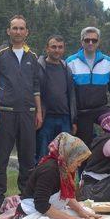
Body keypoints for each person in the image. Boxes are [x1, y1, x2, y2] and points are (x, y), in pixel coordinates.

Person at [0, 15, 42, 209]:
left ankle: (26, 197)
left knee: (28, 158)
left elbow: (36, 85)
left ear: (27, 32)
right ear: (8, 31)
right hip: (5, 112)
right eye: (14, 28)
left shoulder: (32, 56)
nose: (18, 32)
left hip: (28, 112)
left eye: (21, 28)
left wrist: (38, 112)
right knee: (1, 157)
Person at [16, 132, 99, 219]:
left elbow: (65, 195)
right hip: (32, 214)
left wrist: (81, 211)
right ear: (69, 155)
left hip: (47, 211)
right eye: (78, 160)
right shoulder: (49, 171)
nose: (79, 165)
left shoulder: (63, 167)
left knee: (87, 213)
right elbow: (41, 205)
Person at [66, 26, 110, 147]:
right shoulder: (71, 62)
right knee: (84, 147)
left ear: (98, 42)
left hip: (101, 108)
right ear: (82, 41)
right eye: (87, 40)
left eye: (94, 40)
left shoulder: (108, 62)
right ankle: (86, 166)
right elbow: (66, 90)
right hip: (81, 112)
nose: (90, 43)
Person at [36, 35, 77, 163]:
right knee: (42, 156)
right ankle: (41, 182)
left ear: (63, 49)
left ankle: (61, 183)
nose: (57, 50)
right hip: (45, 119)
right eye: (53, 47)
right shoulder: (39, 67)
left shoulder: (67, 69)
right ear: (47, 49)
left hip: (64, 118)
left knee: (64, 158)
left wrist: (73, 120)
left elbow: (71, 95)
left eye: (60, 47)